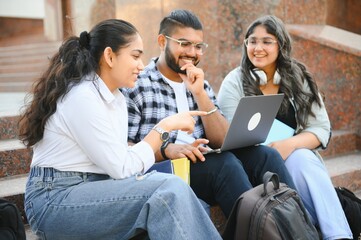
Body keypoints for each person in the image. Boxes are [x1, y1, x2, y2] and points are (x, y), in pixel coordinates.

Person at [18, 19, 222, 240]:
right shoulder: (82, 96)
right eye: (135, 56)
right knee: (169, 191)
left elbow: (121, 159)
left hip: (95, 187)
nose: (142, 65)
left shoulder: (115, 98)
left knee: (192, 204)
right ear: (109, 56)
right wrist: (163, 129)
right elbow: (122, 168)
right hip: (54, 200)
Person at [121, 9, 296, 219]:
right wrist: (167, 149)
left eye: (198, 46)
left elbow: (220, 140)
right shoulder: (137, 84)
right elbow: (125, 148)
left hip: (203, 163)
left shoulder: (199, 83)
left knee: (266, 156)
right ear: (162, 41)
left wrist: (200, 94)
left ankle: (299, 227)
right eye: (184, 44)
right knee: (225, 165)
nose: (192, 53)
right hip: (163, 171)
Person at [218, 15, 352, 239]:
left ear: (281, 44)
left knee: (302, 158)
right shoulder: (234, 82)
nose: (258, 48)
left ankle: (338, 236)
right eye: (252, 41)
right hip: (254, 163)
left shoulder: (298, 77)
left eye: (266, 41)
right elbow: (231, 134)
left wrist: (289, 145)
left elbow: (320, 129)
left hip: (294, 161)